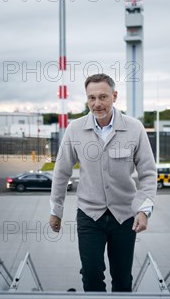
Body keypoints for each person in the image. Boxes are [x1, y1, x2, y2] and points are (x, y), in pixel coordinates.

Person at [49, 73, 157, 292]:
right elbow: (61, 172)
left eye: (103, 97)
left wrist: (144, 210)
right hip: (89, 215)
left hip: (125, 216)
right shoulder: (75, 130)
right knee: (91, 274)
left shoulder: (135, 128)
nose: (97, 104)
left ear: (114, 96)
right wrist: (56, 211)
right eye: (91, 98)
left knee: (122, 277)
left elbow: (148, 173)